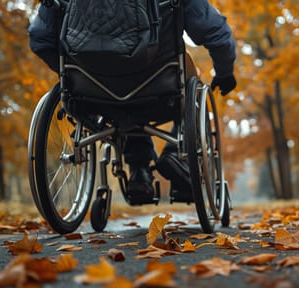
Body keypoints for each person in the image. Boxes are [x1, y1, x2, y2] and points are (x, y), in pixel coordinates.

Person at [28, 0, 237, 204]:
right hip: (160, 90)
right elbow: (215, 32)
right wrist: (225, 72)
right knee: (191, 80)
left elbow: (40, 39)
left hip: (91, 93)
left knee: (122, 103)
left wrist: (70, 75)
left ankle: (139, 172)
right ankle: (177, 156)